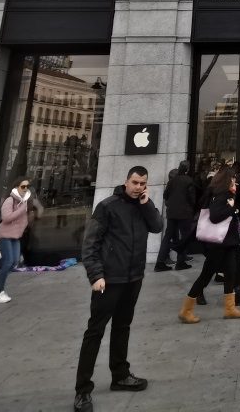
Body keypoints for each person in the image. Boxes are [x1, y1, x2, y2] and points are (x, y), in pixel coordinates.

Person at [73, 166, 162, 412]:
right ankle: (82, 390)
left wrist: (146, 204)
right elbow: (90, 244)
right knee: (95, 331)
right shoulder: (107, 206)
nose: (138, 187)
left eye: (143, 183)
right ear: (126, 181)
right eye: (134, 182)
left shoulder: (144, 206)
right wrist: (96, 275)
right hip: (109, 279)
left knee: (122, 327)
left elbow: (157, 226)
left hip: (133, 277)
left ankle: (120, 374)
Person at [180, 166, 240, 323]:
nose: (235, 181)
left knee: (231, 273)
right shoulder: (221, 195)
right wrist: (232, 208)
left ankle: (230, 308)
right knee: (206, 275)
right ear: (227, 179)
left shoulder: (222, 193)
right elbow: (216, 216)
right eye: (233, 178)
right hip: (219, 244)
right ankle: (186, 309)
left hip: (228, 243)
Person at [0, 176, 34, 304]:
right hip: (5, 235)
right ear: (16, 187)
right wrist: (22, 210)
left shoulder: (24, 202)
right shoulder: (10, 200)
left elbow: (23, 220)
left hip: (15, 236)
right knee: (8, 262)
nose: (25, 189)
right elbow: (6, 217)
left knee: (13, 263)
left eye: (27, 186)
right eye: (23, 186)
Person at [154, 161, 197, 272]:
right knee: (184, 237)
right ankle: (180, 262)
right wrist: (192, 208)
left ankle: (160, 262)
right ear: (187, 169)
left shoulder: (172, 181)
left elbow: (165, 195)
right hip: (184, 212)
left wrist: (171, 204)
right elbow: (192, 198)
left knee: (167, 237)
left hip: (172, 213)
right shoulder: (189, 180)